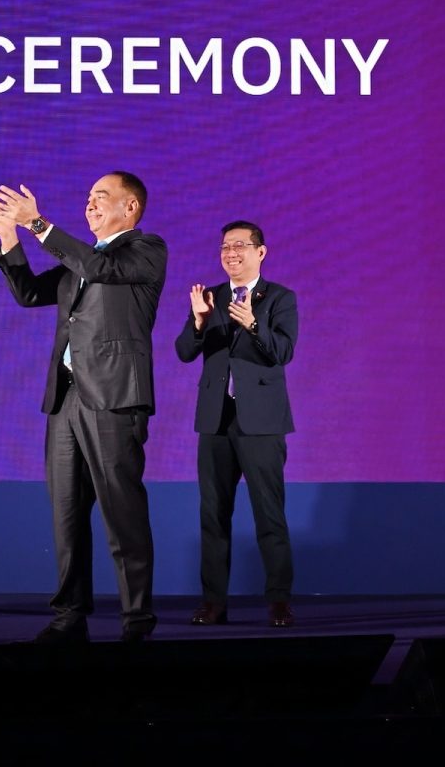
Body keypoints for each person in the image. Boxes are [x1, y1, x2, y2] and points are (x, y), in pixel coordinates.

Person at [0, 173, 166, 643]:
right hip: (65, 399)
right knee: (66, 514)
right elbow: (28, 294)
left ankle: (137, 620)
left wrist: (37, 223)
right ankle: (68, 616)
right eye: (87, 198)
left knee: (122, 513)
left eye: (101, 198)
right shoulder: (81, 260)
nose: (91, 205)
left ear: (131, 208)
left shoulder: (144, 250)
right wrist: (7, 238)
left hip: (114, 398)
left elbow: (100, 269)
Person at [175, 221, 298, 628]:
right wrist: (197, 323)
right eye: (225, 246)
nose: (231, 253)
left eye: (241, 246)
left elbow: (282, 353)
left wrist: (253, 324)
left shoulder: (279, 298)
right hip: (215, 420)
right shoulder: (209, 297)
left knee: (269, 515)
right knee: (213, 516)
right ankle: (213, 603)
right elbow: (183, 352)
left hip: (261, 423)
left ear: (261, 252)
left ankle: (279, 601)